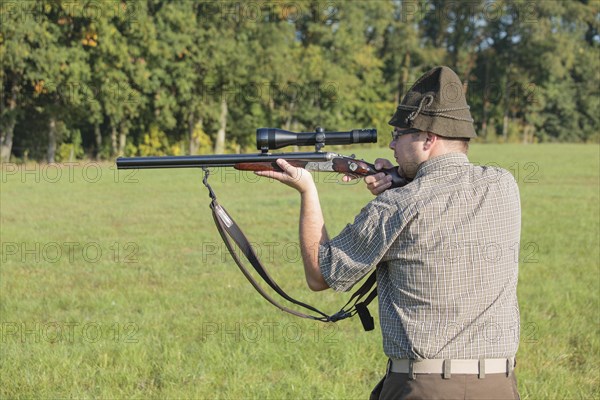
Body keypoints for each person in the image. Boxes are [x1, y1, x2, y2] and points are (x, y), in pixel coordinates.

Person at [256, 66, 521, 399]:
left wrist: (306, 189)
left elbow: (319, 275)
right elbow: (443, 197)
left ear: (429, 138)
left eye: (399, 134)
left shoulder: (396, 206)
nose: (392, 144)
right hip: (499, 386)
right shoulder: (503, 184)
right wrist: (406, 181)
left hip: (423, 388)